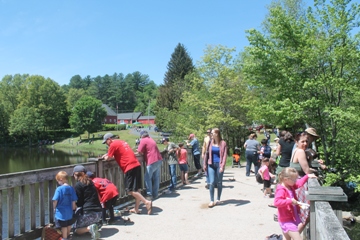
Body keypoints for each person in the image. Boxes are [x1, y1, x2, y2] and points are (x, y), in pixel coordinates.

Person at [101, 133, 152, 215]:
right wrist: (108, 154)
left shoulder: (113, 145)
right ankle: (136, 209)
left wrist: (105, 156)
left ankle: (146, 202)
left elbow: (108, 158)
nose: (106, 144)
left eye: (106, 142)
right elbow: (120, 152)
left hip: (129, 167)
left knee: (130, 190)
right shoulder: (122, 142)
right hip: (137, 165)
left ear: (109, 139)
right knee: (137, 189)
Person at [274, 167, 317, 240]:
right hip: (286, 220)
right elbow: (276, 202)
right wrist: (290, 201)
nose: (295, 181)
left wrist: (307, 176)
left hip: (291, 218)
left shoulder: (290, 186)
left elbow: (299, 183)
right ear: (286, 179)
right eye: (294, 179)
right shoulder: (281, 190)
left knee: (287, 239)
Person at [290, 132, 317, 228]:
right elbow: (306, 170)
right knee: (305, 214)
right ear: (296, 142)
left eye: (307, 141)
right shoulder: (300, 152)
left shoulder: (297, 150)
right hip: (300, 185)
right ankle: (295, 236)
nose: (305, 143)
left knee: (299, 213)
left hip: (295, 183)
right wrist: (314, 173)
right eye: (302, 141)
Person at [72, 165, 102, 240]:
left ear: (75, 174)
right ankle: (96, 225)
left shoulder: (78, 185)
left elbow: (80, 202)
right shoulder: (90, 182)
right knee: (87, 222)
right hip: (98, 214)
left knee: (76, 230)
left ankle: (89, 228)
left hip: (88, 213)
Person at [203, 128, 227, 208]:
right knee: (211, 182)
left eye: (212, 133)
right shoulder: (210, 142)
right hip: (211, 164)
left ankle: (218, 199)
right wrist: (205, 164)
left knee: (219, 182)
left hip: (219, 164)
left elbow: (224, 156)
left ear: (216, 134)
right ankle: (211, 200)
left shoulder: (223, 143)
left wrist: (222, 166)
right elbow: (207, 154)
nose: (211, 134)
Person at [136, 130, 163, 199]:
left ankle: (149, 194)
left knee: (147, 178)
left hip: (152, 160)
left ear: (142, 135)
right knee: (156, 178)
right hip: (158, 159)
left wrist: (138, 151)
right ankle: (155, 194)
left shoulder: (143, 140)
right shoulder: (150, 139)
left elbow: (139, 151)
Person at [52, 171, 77, 240]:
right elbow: (73, 201)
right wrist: (73, 208)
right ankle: (68, 235)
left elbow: (55, 200)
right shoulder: (71, 188)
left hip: (61, 212)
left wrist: (54, 208)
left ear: (61, 179)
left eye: (58, 181)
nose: (58, 183)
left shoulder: (59, 189)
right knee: (69, 224)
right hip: (69, 211)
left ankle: (65, 238)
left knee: (63, 226)